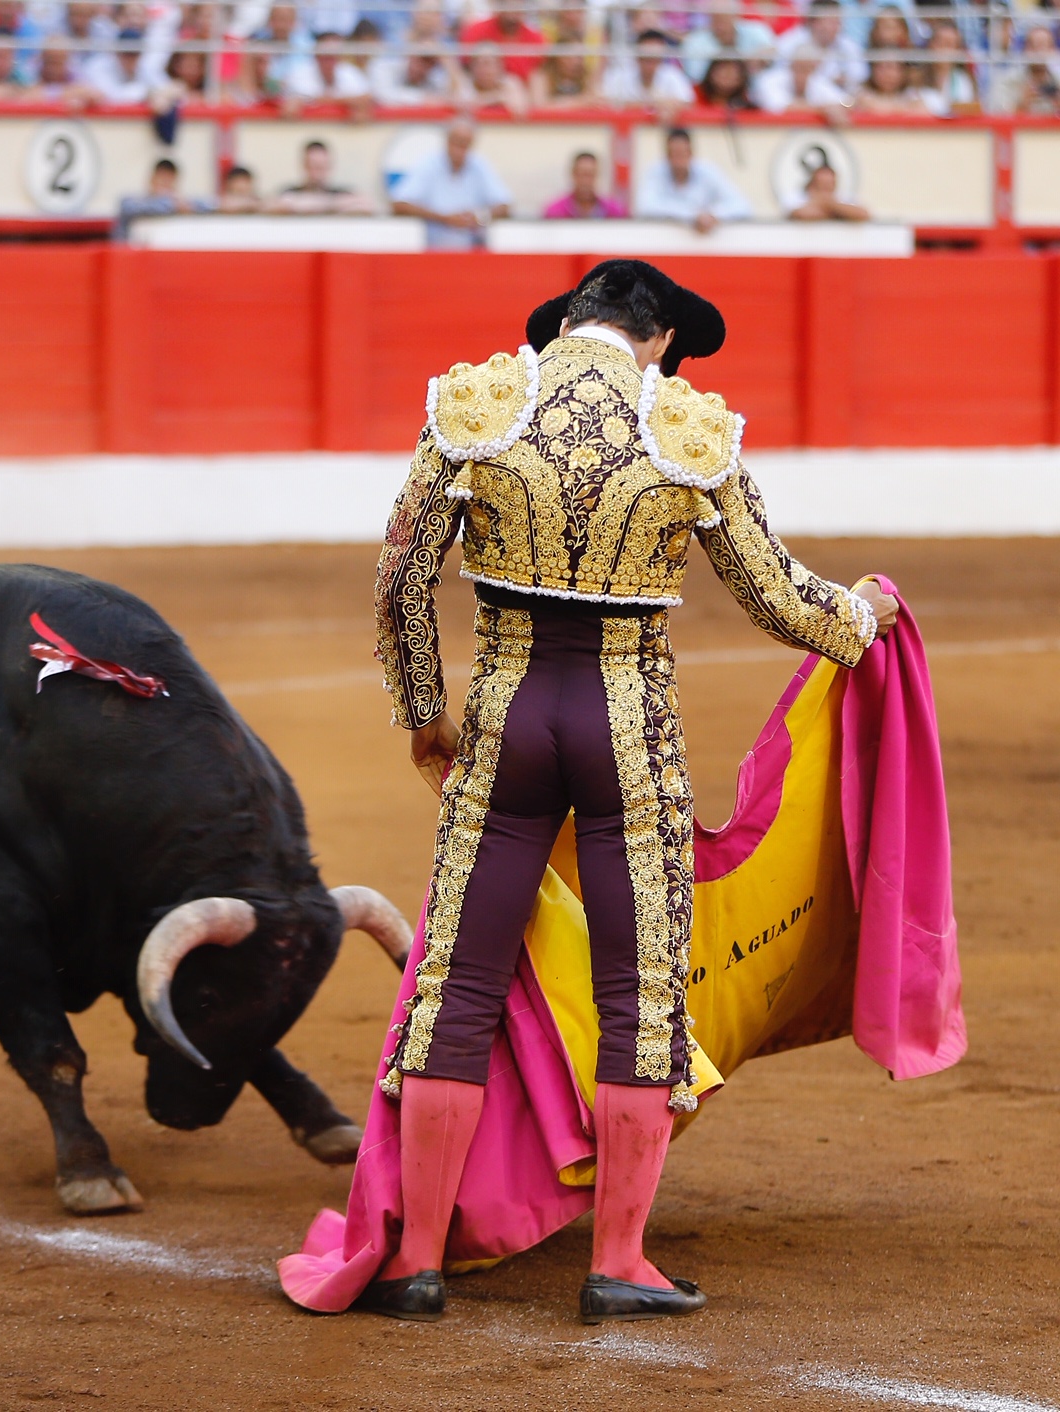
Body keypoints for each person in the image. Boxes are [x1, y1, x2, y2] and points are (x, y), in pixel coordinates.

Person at [350, 259, 895, 1323]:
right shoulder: (686, 428)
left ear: (564, 324)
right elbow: (776, 593)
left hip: (506, 716)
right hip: (623, 728)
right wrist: (862, 618)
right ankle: (618, 1261)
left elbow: (399, 577)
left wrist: (426, 711)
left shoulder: (478, 404)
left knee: (456, 985)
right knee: (639, 994)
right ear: (653, 340)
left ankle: (415, 1258)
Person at [389, 117, 513, 250]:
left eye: (465, 144)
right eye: (456, 142)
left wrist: (479, 217)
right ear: (447, 140)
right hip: (431, 252)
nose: (459, 150)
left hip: (472, 253)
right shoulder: (428, 164)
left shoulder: (479, 165)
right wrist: (443, 218)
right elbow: (399, 205)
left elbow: (505, 205)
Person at [635, 127, 751, 233]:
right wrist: (692, 216)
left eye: (682, 153)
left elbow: (742, 205)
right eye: (675, 154)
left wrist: (713, 215)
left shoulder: (708, 172)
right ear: (667, 156)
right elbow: (645, 207)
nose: (679, 160)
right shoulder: (656, 172)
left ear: (691, 153)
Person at [600, 27, 694, 112]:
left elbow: (688, 105)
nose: (651, 64)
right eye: (647, 58)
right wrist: (653, 105)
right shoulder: (620, 76)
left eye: (655, 58)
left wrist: (669, 106)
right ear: (637, 57)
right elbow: (601, 102)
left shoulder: (673, 75)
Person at [114, 156, 208, 239]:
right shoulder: (132, 202)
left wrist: (185, 205)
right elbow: (129, 207)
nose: (165, 185)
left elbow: (202, 204)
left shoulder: (180, 204)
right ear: (152, 179)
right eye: (162, 179)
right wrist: (171, 204)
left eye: (169, 181)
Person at [272, 139, 374, 213]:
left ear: (330, 166)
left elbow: (367, 205)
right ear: (304, 166)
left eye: (321, 167)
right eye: (313, 166)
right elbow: (274, 205)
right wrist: (333, 206)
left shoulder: (341, 192)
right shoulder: (290, 191)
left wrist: (305, 206)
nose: (317, 174)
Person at [459, 1, 544, 79]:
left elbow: (539, 73)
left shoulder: (536, 39)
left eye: (517, 7)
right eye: (507, 5)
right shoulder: (475, 31)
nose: (511, 15)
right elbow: (464, 68)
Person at [542, 150, 626, 219]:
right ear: (573, 174)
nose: (585, 181)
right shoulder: (555, 212)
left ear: (597, 175)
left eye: (590, 175)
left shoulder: (614, 211)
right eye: (582, 174)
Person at [786, 162, 869, 220]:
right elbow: (802, 215)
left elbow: (862, 214)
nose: (826, 188)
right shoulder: (797, 197)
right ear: (813, 185)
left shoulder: (844, 197)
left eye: (830, 184)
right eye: (822, 184)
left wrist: (830, 204)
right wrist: (839, 213)